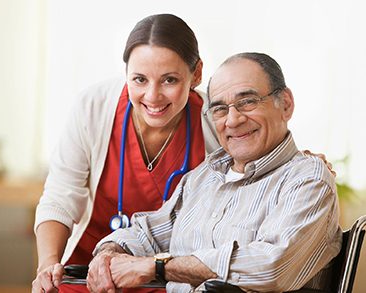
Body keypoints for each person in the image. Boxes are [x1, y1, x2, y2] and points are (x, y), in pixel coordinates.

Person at [86, 52, 342, 293]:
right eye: (220, 109)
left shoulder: (307, 179)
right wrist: (110, 251)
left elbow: (270, 265)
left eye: (247, 101)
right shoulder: (203, 178)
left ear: (285, 104)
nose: (232, 120)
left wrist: (158, 266)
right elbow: (147, 233)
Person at [32, 13, 220, 293]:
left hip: (172, 277)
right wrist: (47, 264)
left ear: (197, 74)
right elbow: (61, 194)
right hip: (87, 273)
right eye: (140, 79)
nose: (153, 96)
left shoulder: (217, 122)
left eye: (169, 80)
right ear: (126, 74)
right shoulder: (93, 107)